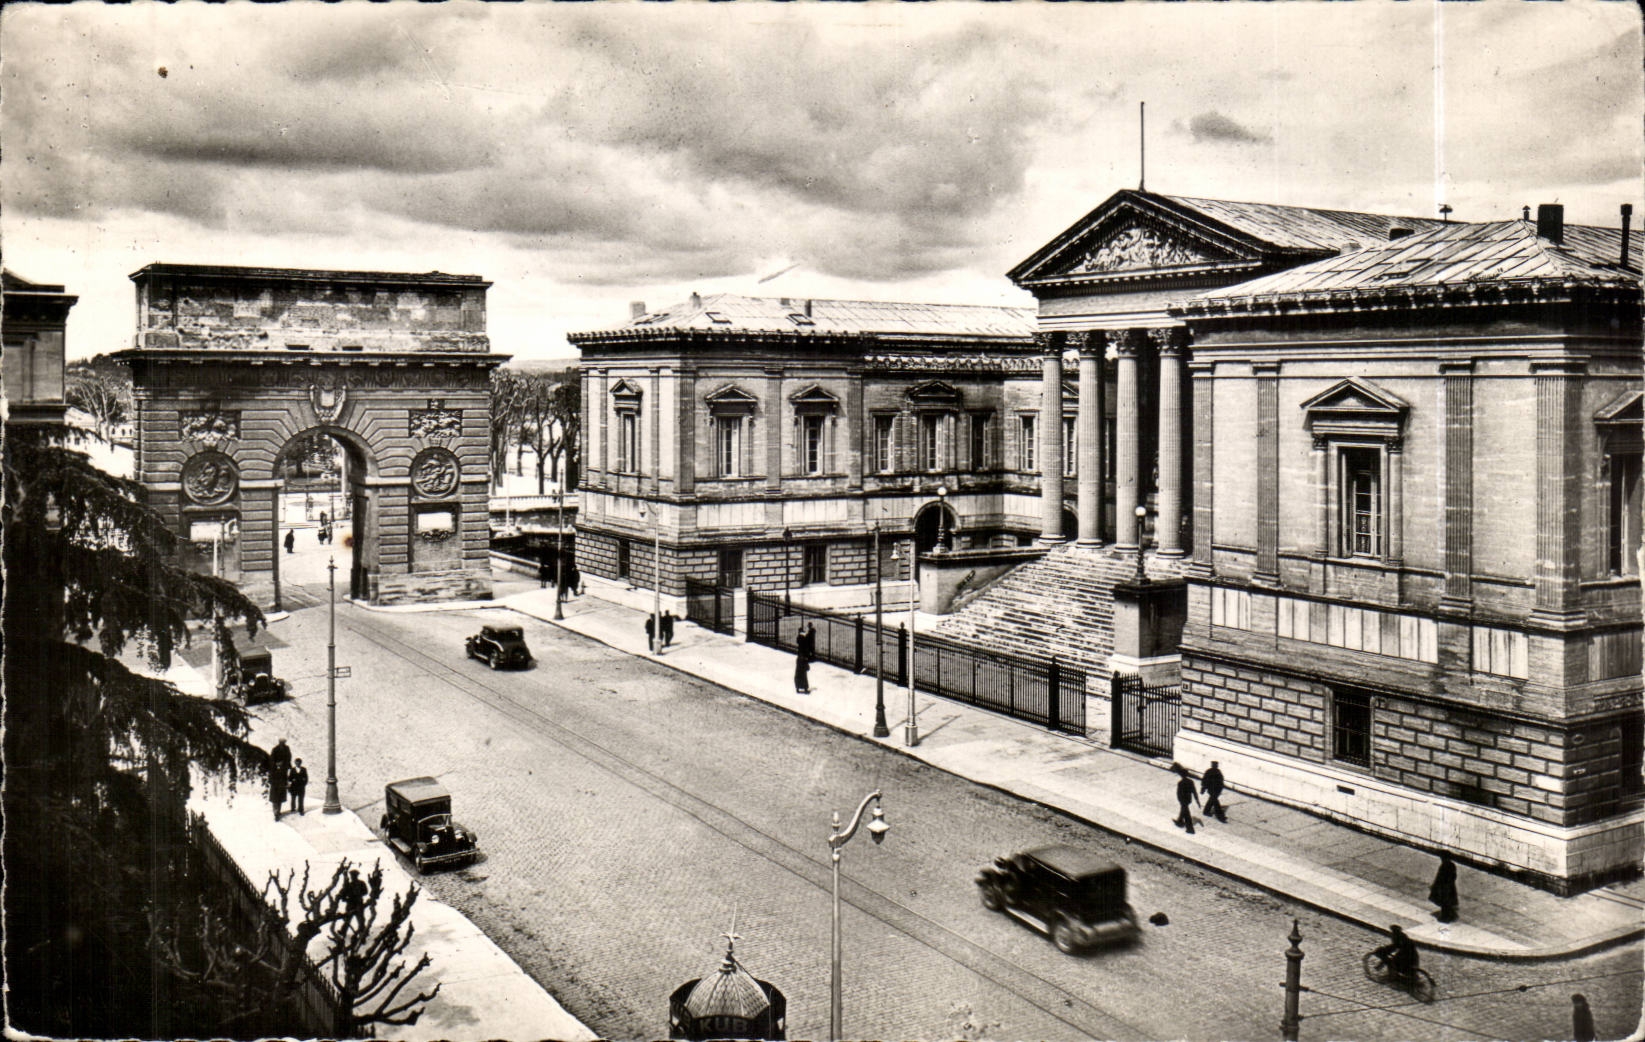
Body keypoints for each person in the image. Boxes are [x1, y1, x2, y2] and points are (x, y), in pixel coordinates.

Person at [1430, 852, 1459, 923]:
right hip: (1450, 887)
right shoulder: (1452, 865)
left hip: (1444, 888)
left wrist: (1435, 886)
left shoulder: (1443, 865)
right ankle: (1448, 916)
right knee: (1447, 902)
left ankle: (1445, 917)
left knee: (1444, 903)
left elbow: (1439, 877)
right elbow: (1454, 876)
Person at [1173, 764, 1199, 834]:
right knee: (1184, 810)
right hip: (1188, 800)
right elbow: (1194, 791)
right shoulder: (1191, 782)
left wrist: (1179, 800)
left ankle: (1190, 829)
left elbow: (1178, 793)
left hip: (1183, 800)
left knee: (1187, 814)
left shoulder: (1180, 783)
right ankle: (1179, 821)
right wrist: (1197, 800)